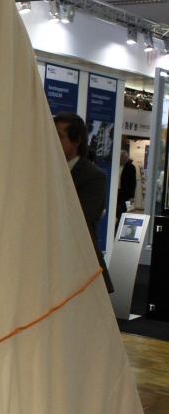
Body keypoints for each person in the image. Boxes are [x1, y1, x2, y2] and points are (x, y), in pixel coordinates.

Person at [54, 112, 113, 292]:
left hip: (78, 262)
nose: (53, 141)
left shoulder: (93, 176)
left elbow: (80, 219)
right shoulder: (45, 171)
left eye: (59, 136)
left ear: (77, 140)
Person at [117, 148, 137, 223]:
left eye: (122, 156)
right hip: (116, 192)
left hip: (125, 193)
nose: (120, 158)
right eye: (120, 156)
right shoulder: (115, 166)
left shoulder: (131, 168)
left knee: (122, 212)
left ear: (126, 158)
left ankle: (118, 227)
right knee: (116, 211)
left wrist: (132, 196)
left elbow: (133, 182)